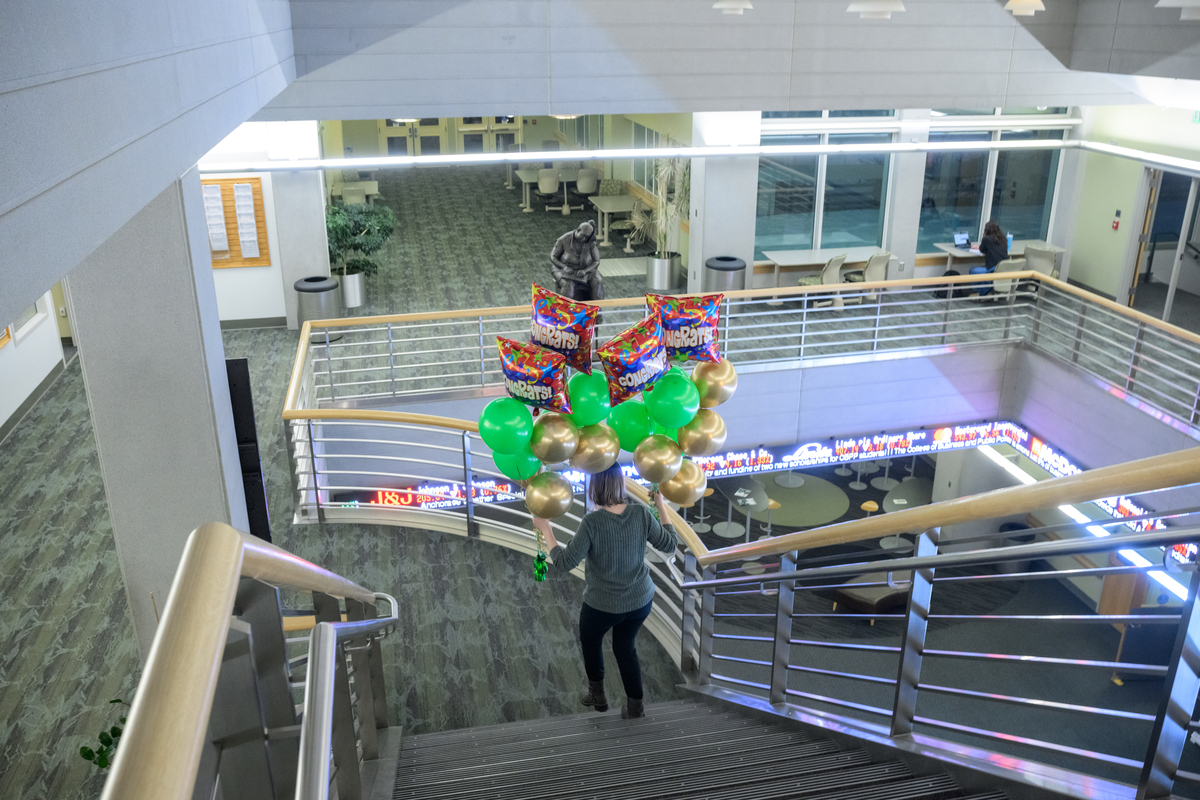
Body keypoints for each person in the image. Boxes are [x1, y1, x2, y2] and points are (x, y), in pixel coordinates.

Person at [531, 462, 677, 719]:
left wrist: (546, 529)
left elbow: (565, 563)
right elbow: (670, 544)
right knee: (625, 648)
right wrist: (660, 504)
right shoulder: (641, 514)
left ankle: (597, 695)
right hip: (640, 600)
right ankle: (635, 708)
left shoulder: (592, 523)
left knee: (590, 640)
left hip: (602, 605)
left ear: (594, 487)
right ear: (620, 484)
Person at [969, 220, 1009, 296]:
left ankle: (978, 292)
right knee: (982, 269)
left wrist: (981, 243)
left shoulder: (986, 239)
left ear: (986, 230)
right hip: (1003, 268)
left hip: (993, 269)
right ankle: (987, 290)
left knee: (972, 270)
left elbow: (982, 250)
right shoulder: (1004, 239)